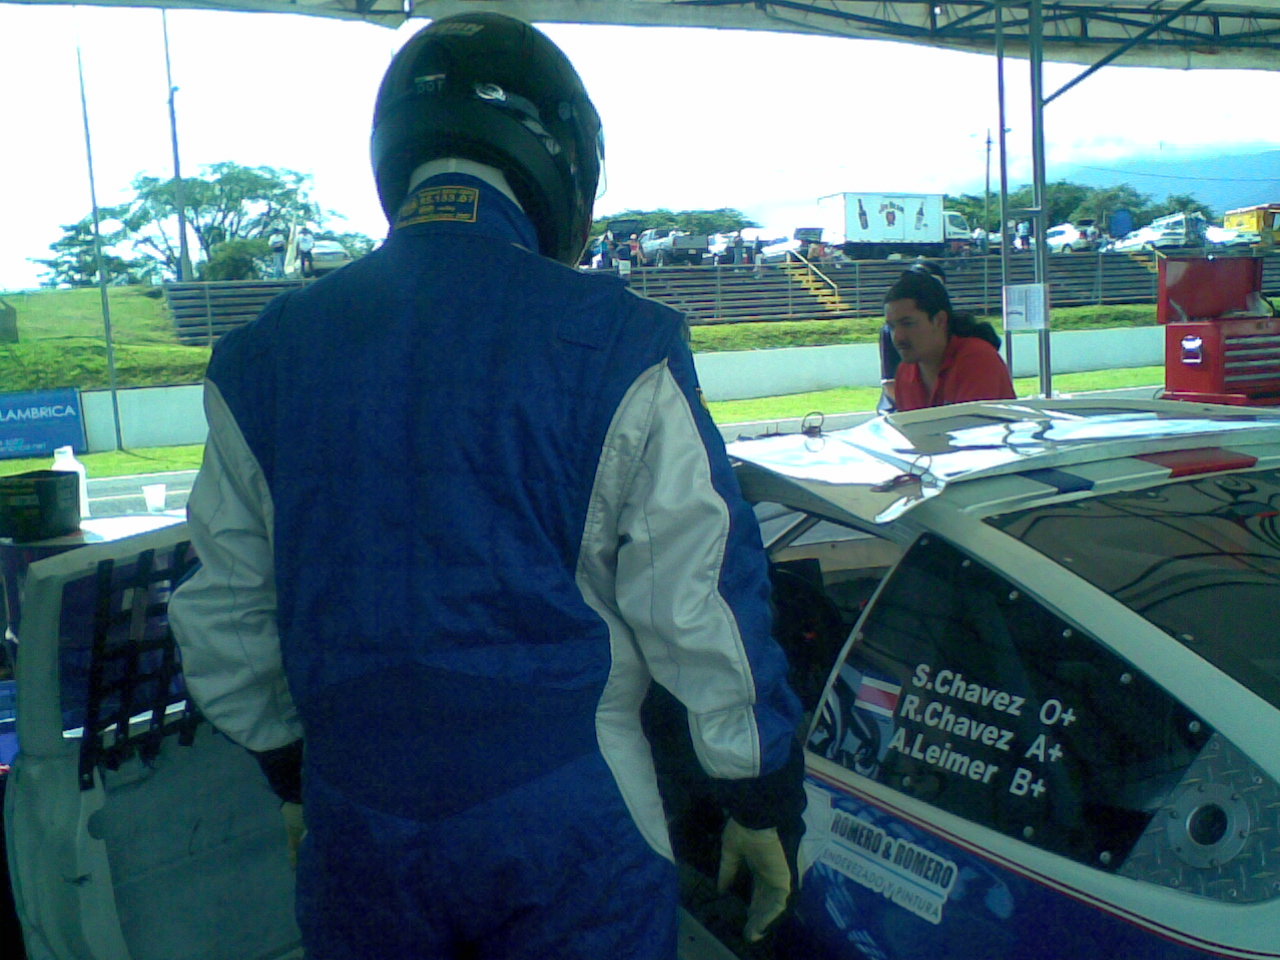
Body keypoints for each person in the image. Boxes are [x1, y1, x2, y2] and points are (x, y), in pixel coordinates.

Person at [168, 13, 804, 960]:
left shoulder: (260, 358)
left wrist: (293, 777)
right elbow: (699, 603)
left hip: (356, 817)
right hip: (572, 813)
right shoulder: (622, 339)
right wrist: (757, 795)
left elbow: (225, 614)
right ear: (562, 158)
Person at [884, 261, 1015, 411]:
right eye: (891, 327)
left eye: (908, 324)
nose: (898, 337)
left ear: (939, 320)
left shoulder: (977, 359)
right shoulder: (905, 372)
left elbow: (973, 425)